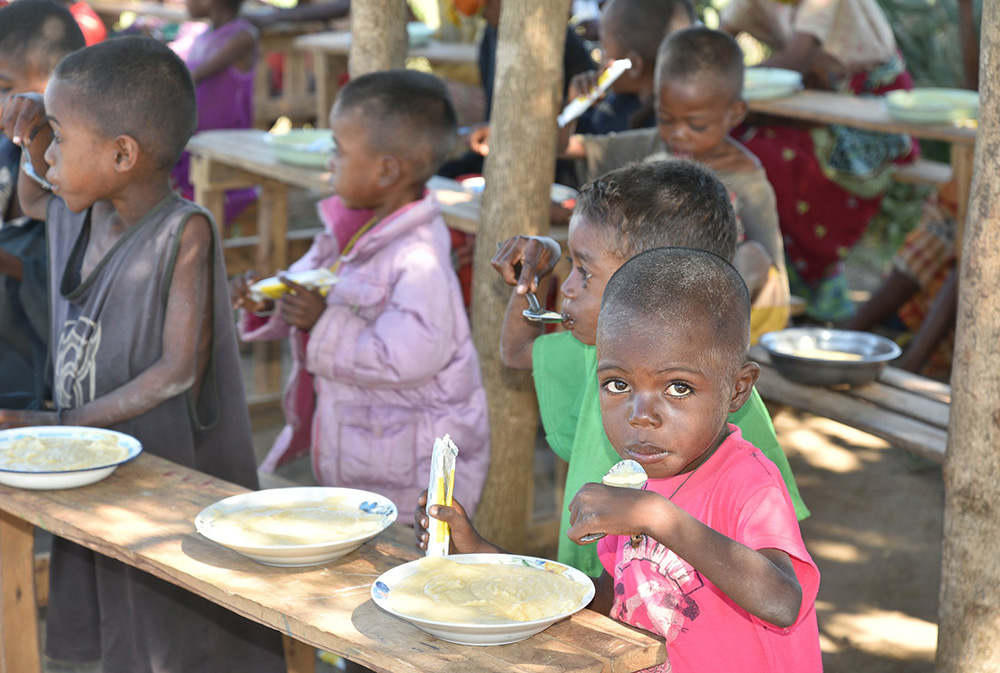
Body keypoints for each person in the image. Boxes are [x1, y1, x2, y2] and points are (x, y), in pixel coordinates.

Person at [0, 37, 285, 672]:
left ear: (122, 154)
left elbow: (176, 370)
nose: (51, 151)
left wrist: (58, 427)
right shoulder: (81, 210)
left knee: (174, 633)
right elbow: (31, 201)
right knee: (116, 622)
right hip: (93, 470)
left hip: (164, 475)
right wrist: (29, 143)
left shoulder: (185, 232)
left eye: (60, 136)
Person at [417, 247, 822, 672]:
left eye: (678, 388)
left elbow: (782, 599)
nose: (640, 414)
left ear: (738, 389)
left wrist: (656, 517)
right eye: (616, 384)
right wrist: (481, 556)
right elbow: (613, 598)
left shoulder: (747, 482)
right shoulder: (631, 484)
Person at [491, 160, 809, 580]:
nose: (568, 288)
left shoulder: (724, 401)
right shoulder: (600, 354)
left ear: (648, 287)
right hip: (602, 597)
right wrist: (535, 276)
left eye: (584, 272)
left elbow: (776, 564)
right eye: (618, 385)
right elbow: (515, 351)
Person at [231, 69, 491, 516]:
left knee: (397, 570)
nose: (330, 160)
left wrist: (321, 321)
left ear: (386, 170)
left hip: (412, 474)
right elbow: (307, 280)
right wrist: (266, 298)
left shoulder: (419, 258)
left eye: (339, 150)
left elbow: (406, 357)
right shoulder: (347, 230)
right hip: (365, 450)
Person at [564, 27, 791, 342]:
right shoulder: (656, 146)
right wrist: (574, 107)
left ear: (735, 112)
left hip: (727, 326)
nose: (679, 134)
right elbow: (565, 148)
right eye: (666, 118)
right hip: (649, 314)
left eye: (696, 124)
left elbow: (769, 269)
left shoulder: (748, 179)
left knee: (751, 257)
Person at [720, 0, 917, 323]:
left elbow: (794, 63)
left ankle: (803, 290)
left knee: (767, 160)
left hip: (873, 113)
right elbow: (716, 44)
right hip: (810, 101)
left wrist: (714, 78)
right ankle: (761, 285)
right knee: (729, 142)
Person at [0, 0, 85, 405]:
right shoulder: (5, 146)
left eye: (4, 88)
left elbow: (73, 279)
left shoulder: (81, 164)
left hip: (37, 352)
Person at [170, 0, 258, 225]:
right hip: (197, 143)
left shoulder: (242, 37)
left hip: (225, 149)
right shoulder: (202, 35)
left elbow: (194, 76)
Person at [572, 0, 695, 135]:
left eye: (605, 47)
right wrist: (575, 105)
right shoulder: (616, 106)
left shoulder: (668, 131)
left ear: (634, 66)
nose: (602, 57)